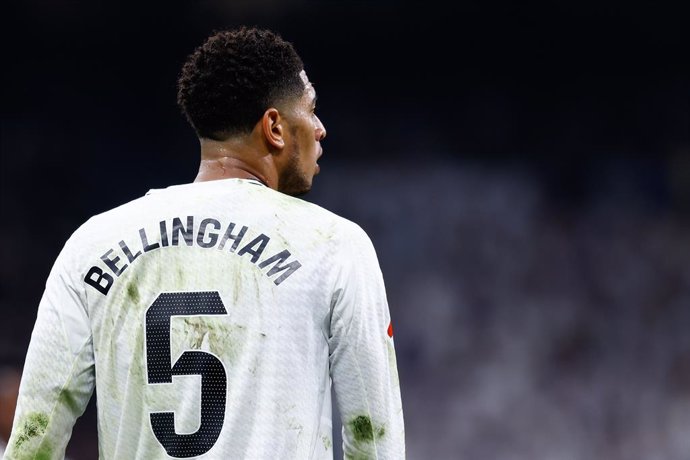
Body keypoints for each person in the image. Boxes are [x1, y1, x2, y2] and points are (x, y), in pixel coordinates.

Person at [3, 26, 405, 459]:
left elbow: (33, 442)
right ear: (274, 127)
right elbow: (373, 437)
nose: (321, 129)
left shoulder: (91, 245)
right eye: (311, 110)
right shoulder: (336, 247)